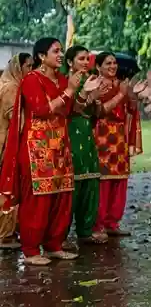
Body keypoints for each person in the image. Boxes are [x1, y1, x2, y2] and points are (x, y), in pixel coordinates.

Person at [0, 38, 80, 265]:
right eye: (56, 51)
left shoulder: (63, 79)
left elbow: (71, 110)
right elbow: (41, 109)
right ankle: (32, 250)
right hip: (37, 149)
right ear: (41, 57)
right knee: (38, 201)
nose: (61, 55)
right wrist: (70, 91)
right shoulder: (31, 80)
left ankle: (54, 245)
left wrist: (85, 94)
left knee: (61, 197)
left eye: (61, 51)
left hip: (60, 149)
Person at [92, 52, 140, 236]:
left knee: (119, 180)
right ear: (98, 67)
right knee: (103, 181)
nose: (113, 66)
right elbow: (100, 111)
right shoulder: (95, 85)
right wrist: (121, 94)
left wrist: (132, 95)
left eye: (114, 63)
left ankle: (113, 222)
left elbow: (131, 109)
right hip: (102, 135)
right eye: (108, 63)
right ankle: (98, 224)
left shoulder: (121, 84)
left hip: (119, 137)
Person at [63, 46, 105, 244]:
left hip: (87, 134)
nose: (86, 62)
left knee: (91, 180)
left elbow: (96, 113)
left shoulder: (91, 80)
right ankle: (60, 235)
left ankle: (85, 230)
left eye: (87, 59)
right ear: (70, 62)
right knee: (73, 182)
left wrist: (94, 98)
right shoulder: (64, 81)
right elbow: (69, 110)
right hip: (70, 133)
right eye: (81, 59)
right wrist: (85, 95)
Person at [0, 52, 30, 250]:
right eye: (28, 66)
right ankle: (5, 235)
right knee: (7, 187)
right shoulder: (12, 88)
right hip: (6, 145)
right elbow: (16, 121)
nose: (30, 70)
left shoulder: (6, 83)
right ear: (19, 68)